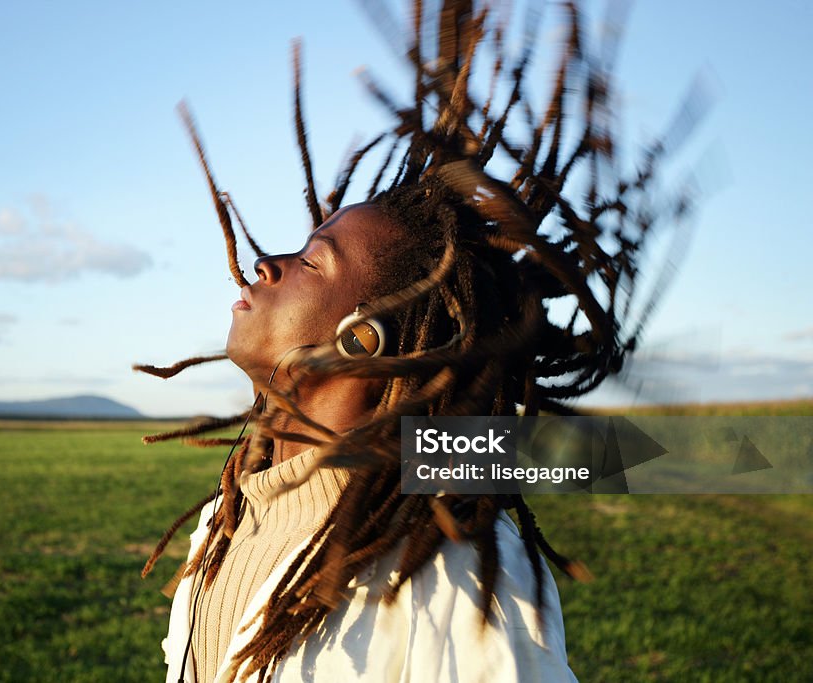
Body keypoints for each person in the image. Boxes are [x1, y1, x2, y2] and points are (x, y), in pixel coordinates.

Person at [136, 2, 693, 681]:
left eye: (314, 261)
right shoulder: (234, 511)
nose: (268, 264)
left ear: (364, 338)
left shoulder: (450, 578)